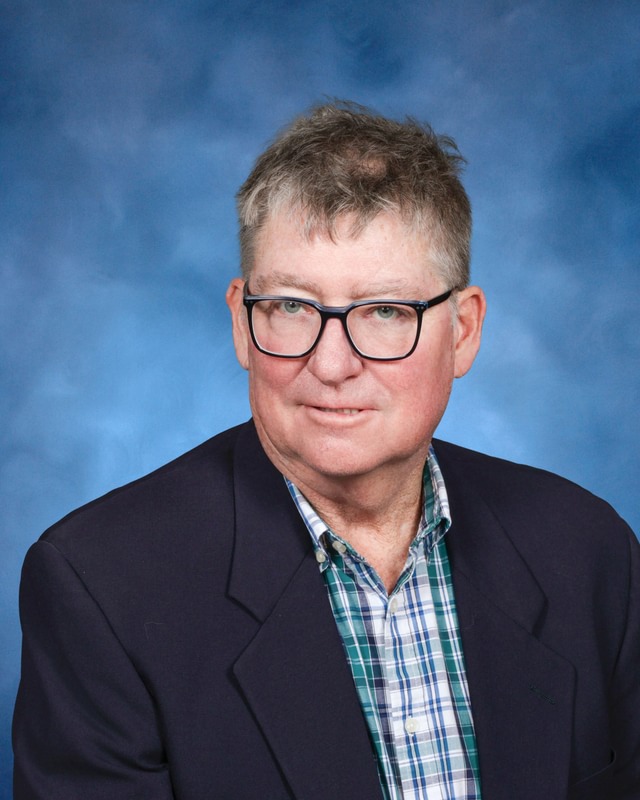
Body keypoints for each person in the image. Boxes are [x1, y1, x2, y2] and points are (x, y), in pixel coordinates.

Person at [13, 101, 639, 800]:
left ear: (462, 332)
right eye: (289, 307)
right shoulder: (101, 589)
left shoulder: (588, 551)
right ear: (241, 325)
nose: (333, 363)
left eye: (384, 311)